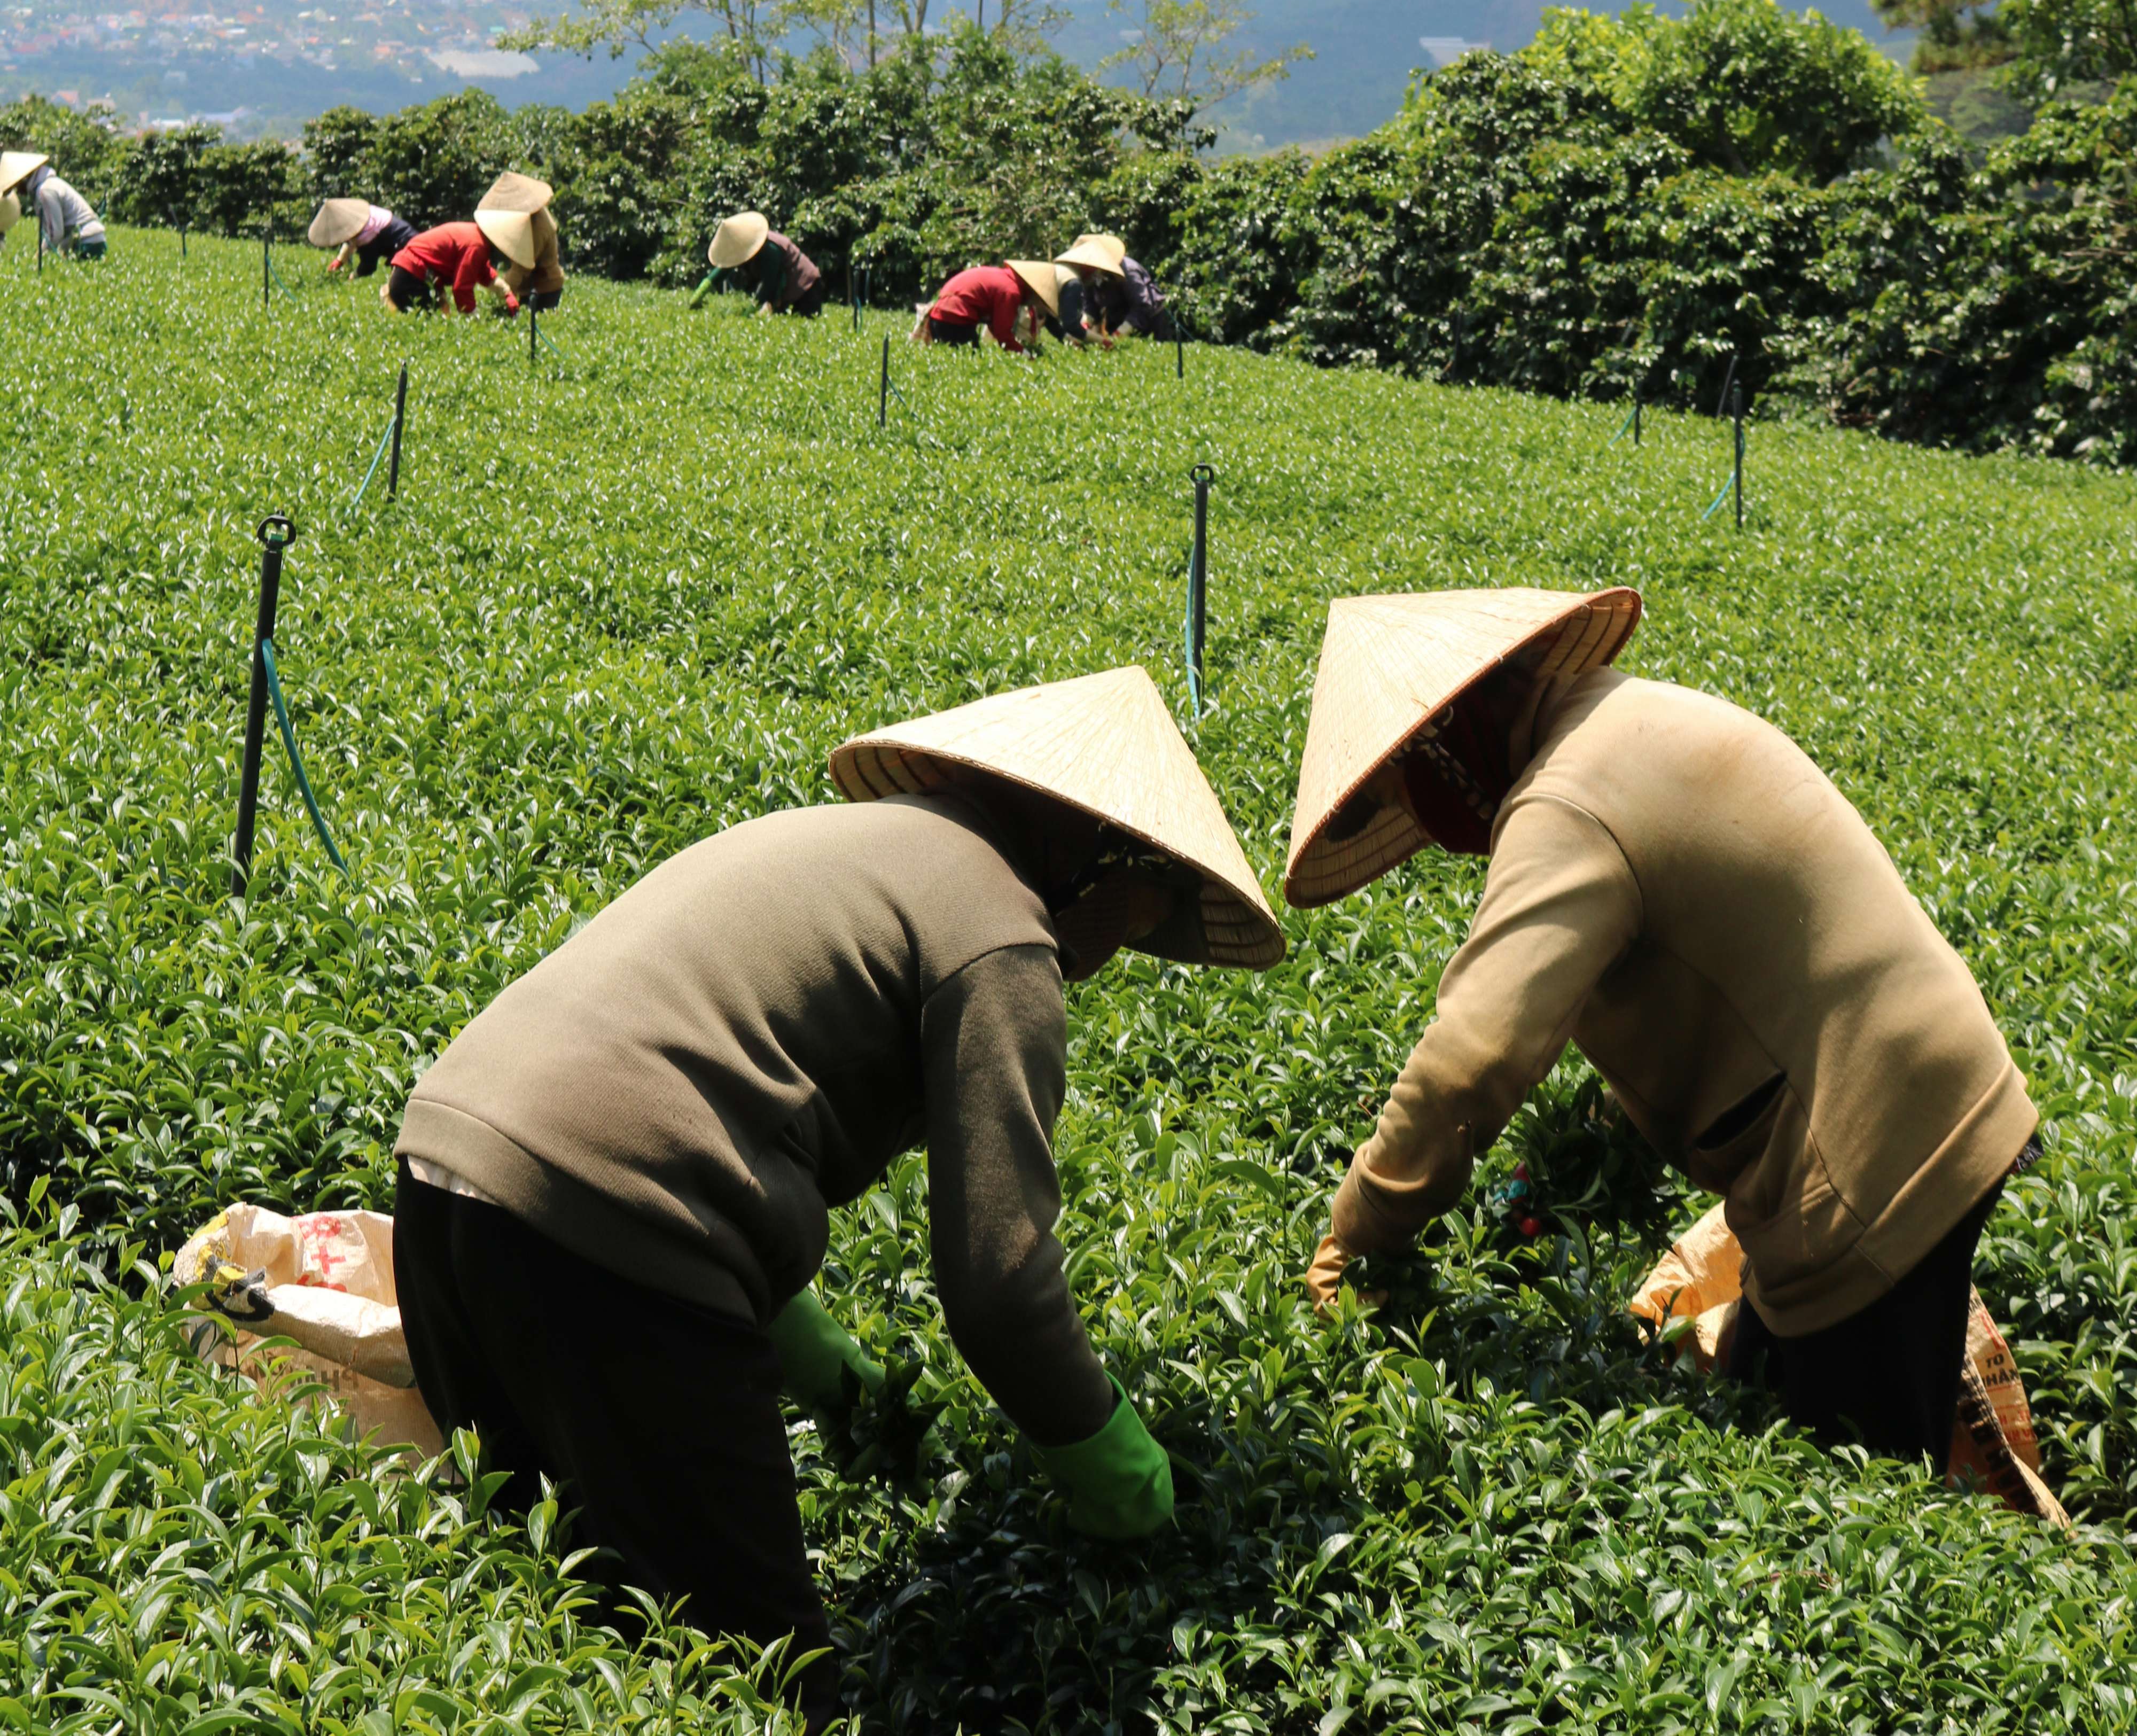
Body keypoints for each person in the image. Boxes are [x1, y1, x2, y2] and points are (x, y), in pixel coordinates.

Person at [391, 666, 1284, 1725]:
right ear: (1102, 855)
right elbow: (1000, 1284)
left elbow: (693, 1099)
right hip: (610, 1240)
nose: (1128, 942)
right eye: (1153, 901)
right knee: (764, 1692)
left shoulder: (860, 845)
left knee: (579, 1628)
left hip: (445, 1181)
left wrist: (824, 1369)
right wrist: (1124, 1480)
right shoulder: (1001, 930)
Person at [1286, 586, 2039, 1476]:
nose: (1427, 821)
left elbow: (1470, 1062)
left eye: (1408, 787)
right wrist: (1556, 1175)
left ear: (1452, 737)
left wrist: (1357, 1231)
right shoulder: (1623, 722)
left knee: (1849, 1500)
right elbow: (1707, 983)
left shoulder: (1568, 799)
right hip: (1914, 1100)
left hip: (1877, 1161)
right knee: (1761, 1383)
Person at [383, 219, 519, 316]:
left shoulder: (475, 235)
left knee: (440, 319)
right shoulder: (477, 245)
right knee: (433, 325)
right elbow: (461, 288)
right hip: (411, 279)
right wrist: (474, 321)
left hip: (407, 274)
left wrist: (506, 294)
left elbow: (484, 272)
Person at [914, 260, 1059, 352]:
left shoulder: (1004, 278)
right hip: (956, 318)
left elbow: (996, 327)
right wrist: (1025, 354)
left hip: (941, 317)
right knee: (969, 365)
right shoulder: (1011, 291)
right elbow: (1003, 333)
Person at [477, 170, 566, 314]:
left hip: (544, 289)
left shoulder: (537, 227)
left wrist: (502, 291)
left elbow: (523, 267)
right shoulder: (533, 217)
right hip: (530, 287)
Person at [706, 209, 823, 317]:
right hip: (786, 289)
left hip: (807, 288)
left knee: (805, 322)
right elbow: (726, 265)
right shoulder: (743, 248)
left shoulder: (770, 249)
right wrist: (705, 287)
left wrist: (750, 313)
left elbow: (768, 284)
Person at [1058, 233, 1170, 341]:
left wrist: (1121, 332)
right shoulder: (1091, 277)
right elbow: (1091, 304)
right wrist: (1086, 324)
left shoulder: (1128, 271)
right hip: (1118, 318)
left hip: (1152, 321)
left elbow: (1142, 305)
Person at [1, 151, 106, 259]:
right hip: (93, 239)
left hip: (86, 242)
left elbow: (55, 234)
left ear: (24, 178)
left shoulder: (45, 190)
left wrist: (39, 257)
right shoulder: (51, 184)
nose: (17, 190)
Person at [308, 198, 417, 277]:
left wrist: (352, 277)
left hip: (407, 246)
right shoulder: (365, 217)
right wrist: (340, 260)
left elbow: (368, 267)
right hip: (406, 238)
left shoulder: (367, 235)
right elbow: (350, 239)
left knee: (399, 287)